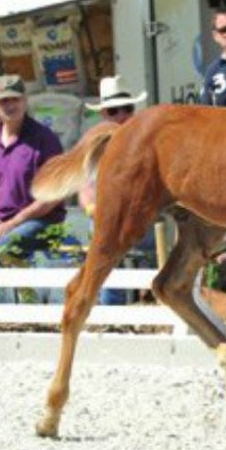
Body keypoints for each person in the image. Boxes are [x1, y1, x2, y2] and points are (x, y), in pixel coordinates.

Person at [0, 74, 66, 289]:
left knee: (7, 243)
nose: (10, 105)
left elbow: (54, 195)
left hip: (40, 222)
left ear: (25, 100)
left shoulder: (44, 138)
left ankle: (24, 301)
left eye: (15, 99)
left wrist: (14, 222)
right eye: (3, 100)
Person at [81, 75, 150, 305]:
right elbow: (85, 186)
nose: (121, 116)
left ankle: (148, 312)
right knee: (106, 263)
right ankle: (113, 318)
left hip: (143, 217)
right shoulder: (95, 145)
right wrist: (93, 208)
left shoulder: (148, 140)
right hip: (108, 218)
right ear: (103, 114)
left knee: (152, 260)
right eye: (113, 111)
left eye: (126, 109)